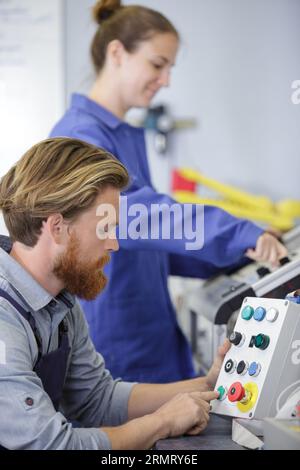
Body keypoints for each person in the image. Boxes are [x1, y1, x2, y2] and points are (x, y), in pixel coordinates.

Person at [50, 0, 287, 383]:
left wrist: (236, 255)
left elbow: (154, 243)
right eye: (158, 65)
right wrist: (239, 232)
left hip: (151, 332)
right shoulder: (82, 136)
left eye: (170, 68)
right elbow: (139, 217)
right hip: (117, 341)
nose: (166, 80)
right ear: (117, 53)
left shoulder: (122, 135)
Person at [0, 137, 230, 450]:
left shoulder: (61, 303)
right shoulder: (4, 315)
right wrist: (162, 422)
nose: (114, 244)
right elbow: (51, 445)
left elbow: (97, 398)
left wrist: (210, 384)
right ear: (56, 228)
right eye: (104, 229)